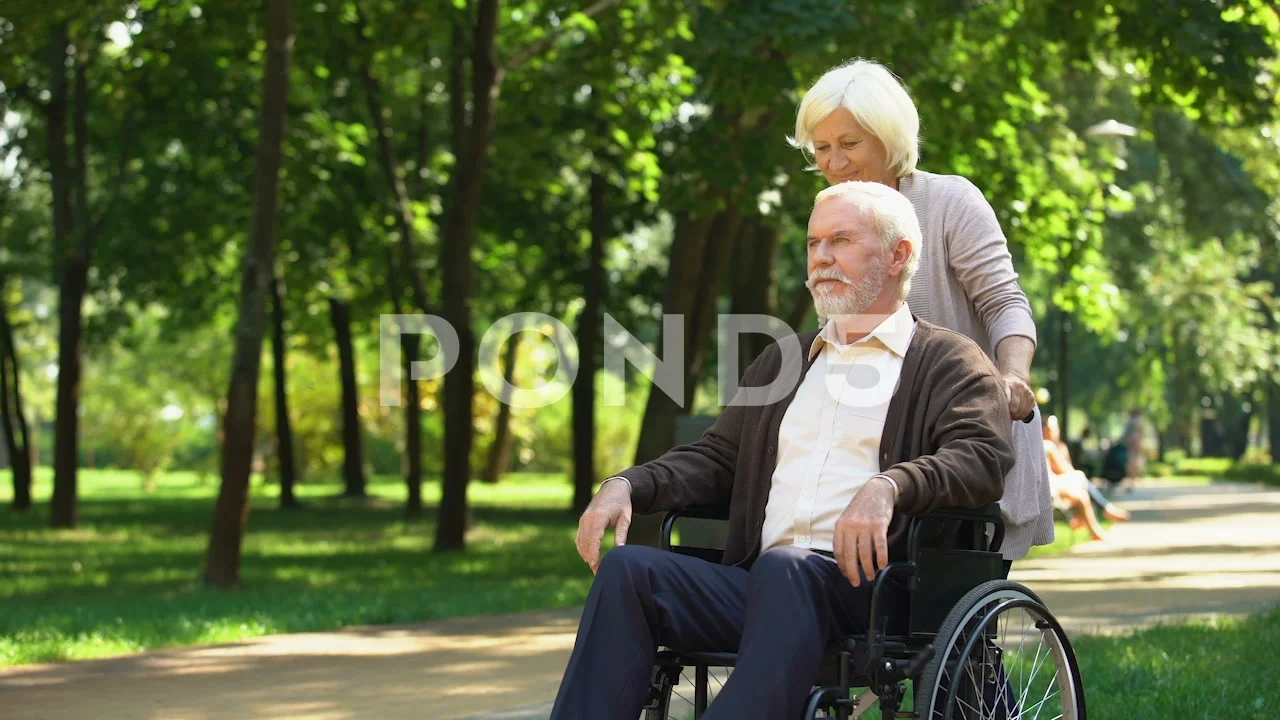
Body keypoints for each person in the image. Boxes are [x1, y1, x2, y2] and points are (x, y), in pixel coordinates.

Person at [550, 182, 1015, 719]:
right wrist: (628, 483)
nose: (821, 257)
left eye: (841, 240)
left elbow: (982, 455)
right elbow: (717, 458)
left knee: (787, 568)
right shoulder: (783, 363)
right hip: (761, 584)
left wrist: (891, 484)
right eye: (814, 243)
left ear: (898, 255)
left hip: (874, 595)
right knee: (630, 572)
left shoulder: (947, 361)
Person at [791, 59, 1053, 561]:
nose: (834, 162)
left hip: (965, 433)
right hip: (886, 443)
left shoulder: (948, 202)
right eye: (822, 147)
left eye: (850, 144)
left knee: (943, 592)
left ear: (889, 139)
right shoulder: (835, 221)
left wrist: (1012, 377)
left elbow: (1005, 302)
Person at [1043, 414, 1129, 541]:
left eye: (1056, 428)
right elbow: (1066, 470)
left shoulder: (1056, 446)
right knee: (1080, 477)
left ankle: (1097, 518)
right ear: (1043, 429)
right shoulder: (1047, 446)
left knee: (1082, 489)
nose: (1055, 432)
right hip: (1051, 491)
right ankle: (1104, 511)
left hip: (1054, 488)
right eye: (1052, 428)